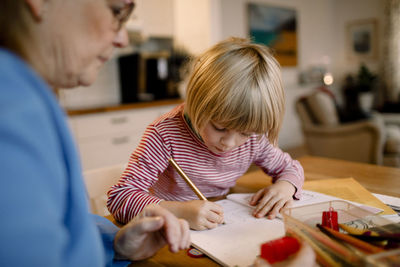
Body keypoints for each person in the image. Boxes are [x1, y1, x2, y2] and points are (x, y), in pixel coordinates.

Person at [0, 0, 190, 266]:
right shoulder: (12, 106)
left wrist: (113, 247)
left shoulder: (29, 94)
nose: (123, 39)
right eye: (117, 11)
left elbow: (61, 228)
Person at [107, 37, 305, 230]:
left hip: (219, 223)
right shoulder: (164, 134)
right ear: (196, 102)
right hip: (168, 230)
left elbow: (291, 168)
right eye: (219, 127)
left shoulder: (255, 138)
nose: (229, 142)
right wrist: (179, 212)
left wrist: (286, 187)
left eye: (245, 133)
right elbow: (120, 198)